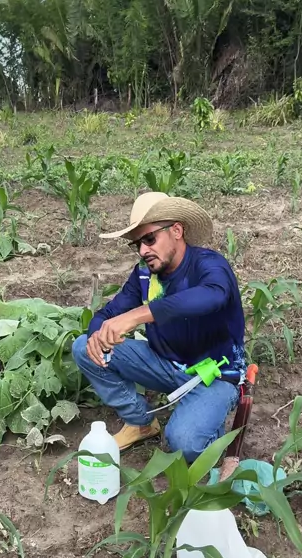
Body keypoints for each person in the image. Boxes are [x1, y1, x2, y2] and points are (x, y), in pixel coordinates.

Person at [72, 192, 246, 466]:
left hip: (214, 373)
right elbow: (108, 314)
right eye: (137, 244)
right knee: (84, 347)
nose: (143, 251)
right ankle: (141, 422)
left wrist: (138, 315)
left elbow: (213, 295)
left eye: (149, 239)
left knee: (185, 444)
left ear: (177, 230)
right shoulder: (144, 274)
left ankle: (205, 423)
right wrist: (98, 334)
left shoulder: (208, 265)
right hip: (164, 364)